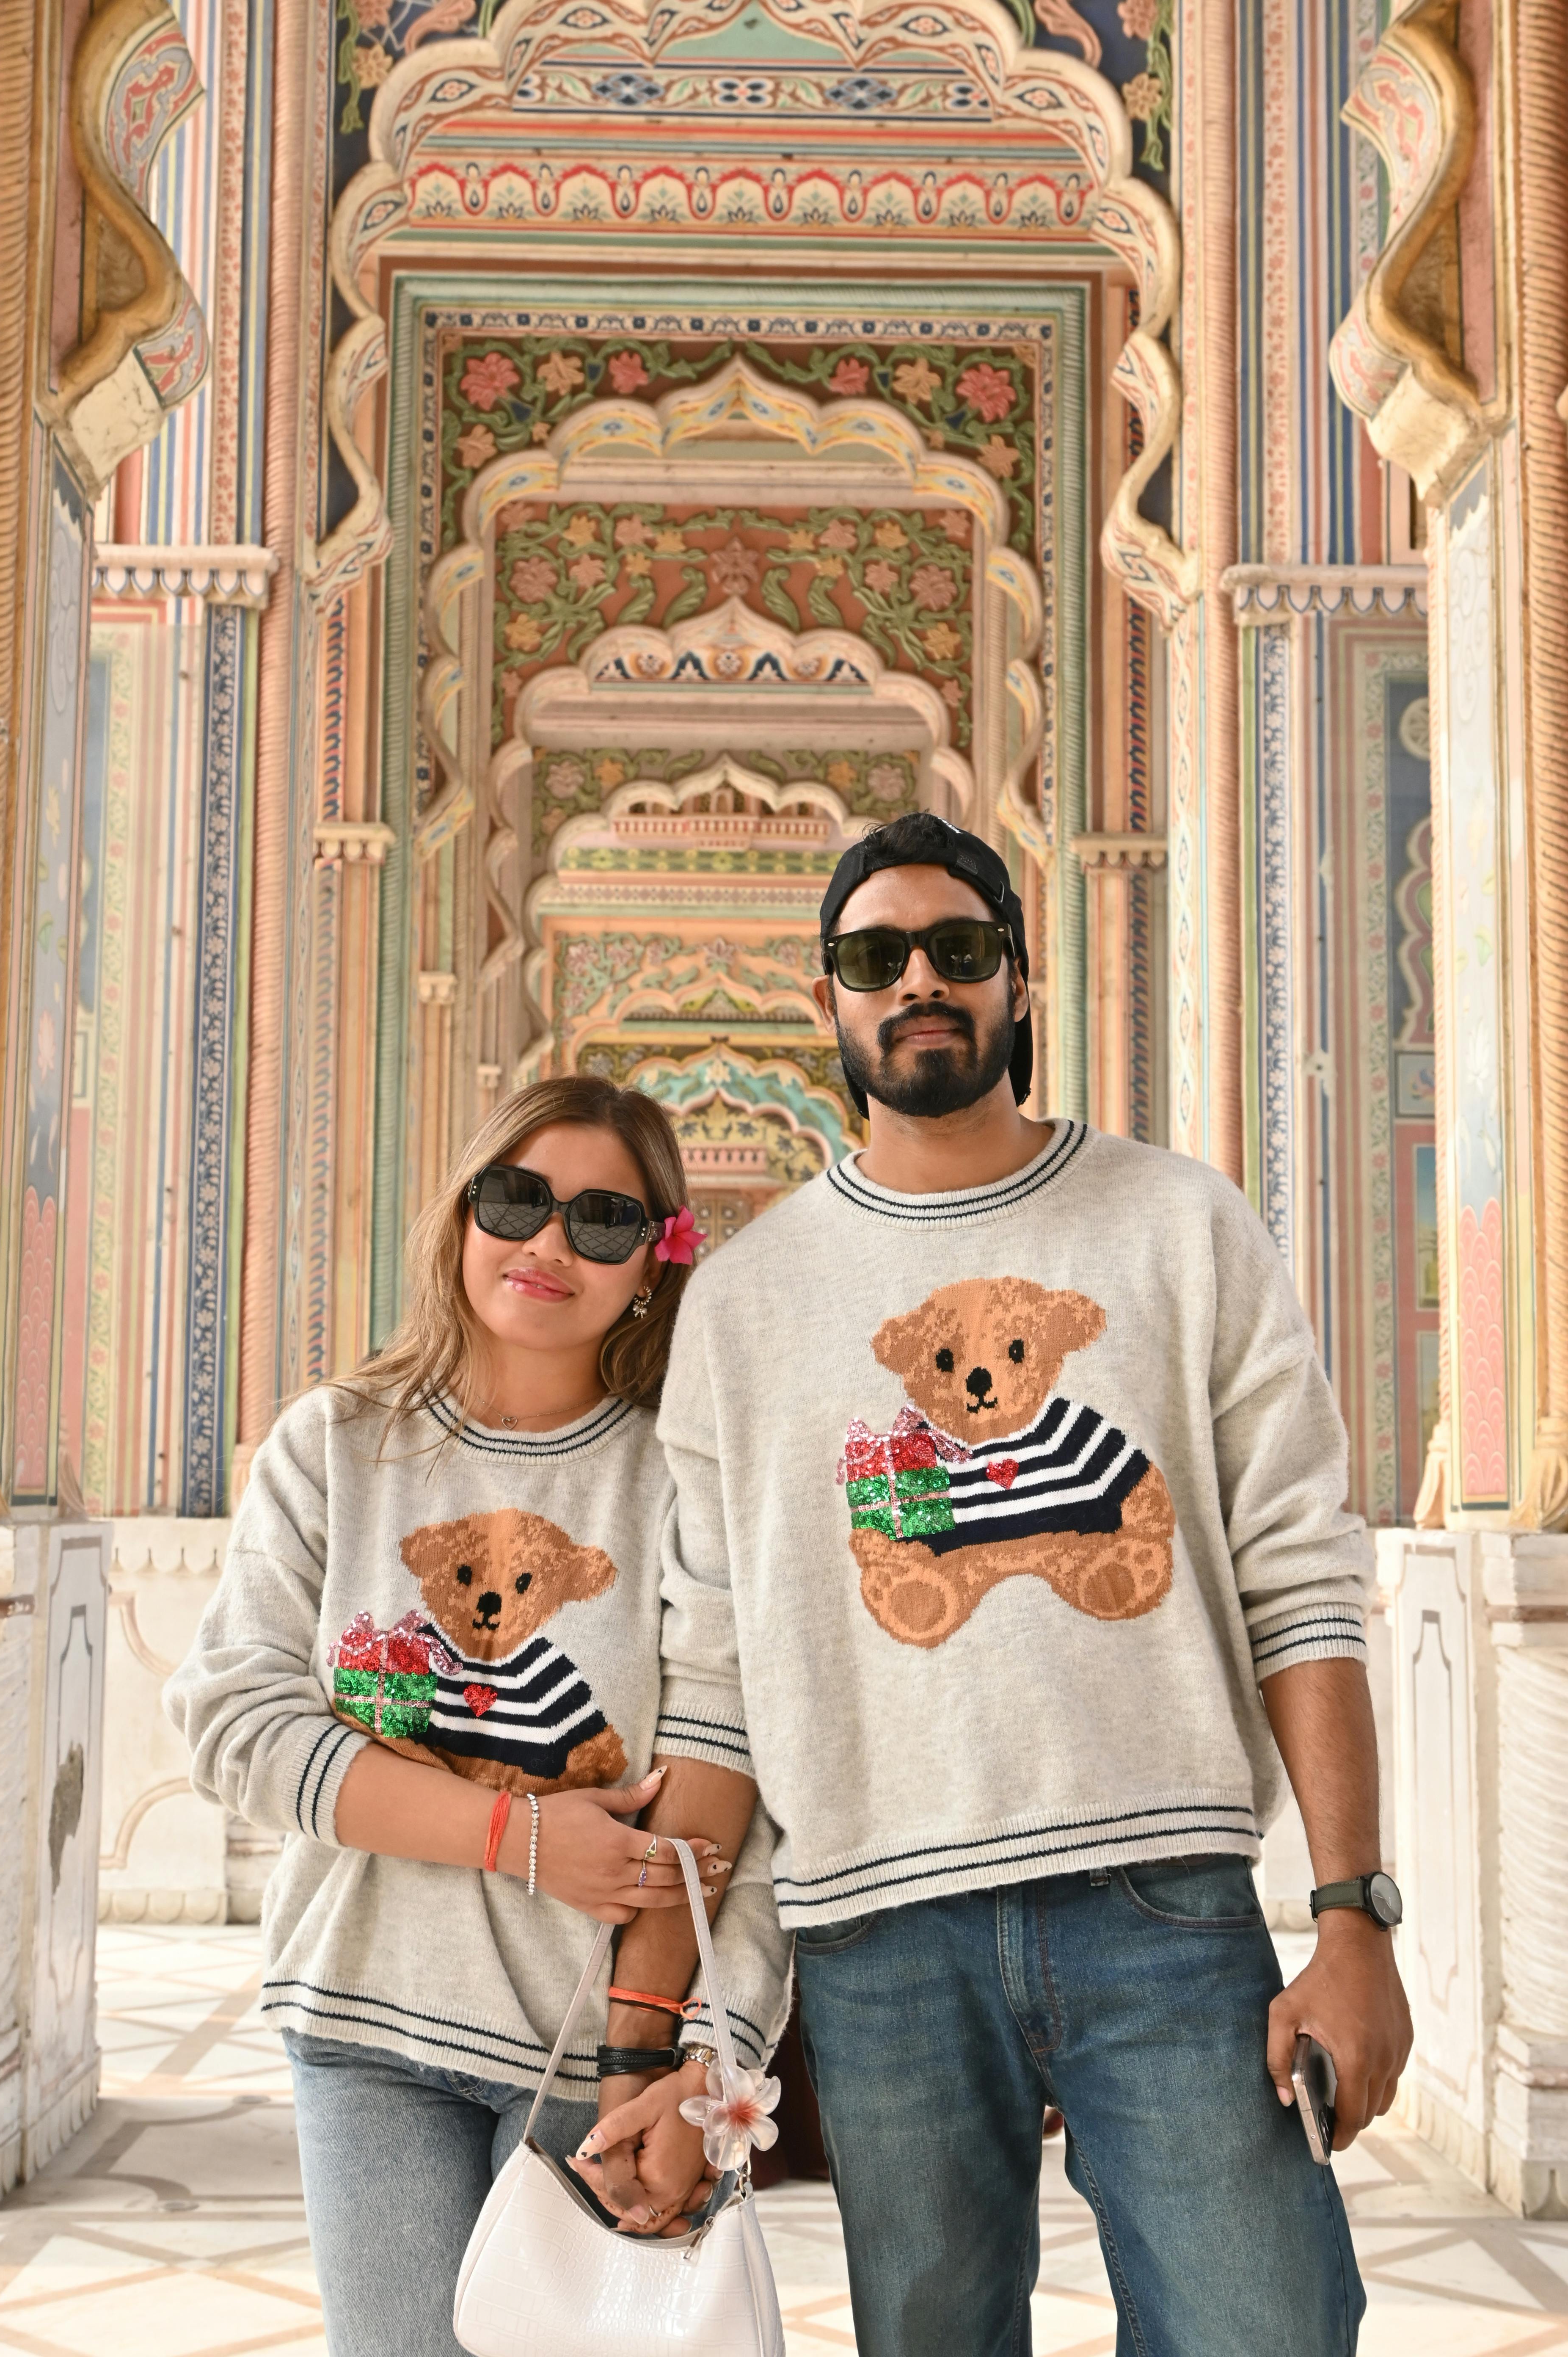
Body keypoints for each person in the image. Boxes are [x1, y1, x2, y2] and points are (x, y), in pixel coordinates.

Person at [622, 810, 1411, 2354]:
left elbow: (1302, 1582)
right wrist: (655, 2038)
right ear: (830, 1006)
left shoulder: (1180, 1226)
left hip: (1161, 1906)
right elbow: (716, 1686)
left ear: (1019, 985)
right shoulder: (745, 1304)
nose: (918, 978)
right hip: (879, 1925)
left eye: (958, 948)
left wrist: (1352, 1919)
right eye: (874, 956)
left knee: (1265, 2328)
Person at [166, 1076, 790, 2355]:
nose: (549, 1245)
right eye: (518, 1201)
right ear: (462, 1216)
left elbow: (740, 1792)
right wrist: (516, 1839)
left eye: (605, 1222)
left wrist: (711, 2062)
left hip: (594, 2053)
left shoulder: (687, 1482)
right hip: (365, 2030)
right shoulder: (334, 1445)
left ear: (655, 1264)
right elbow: (236, 1716)